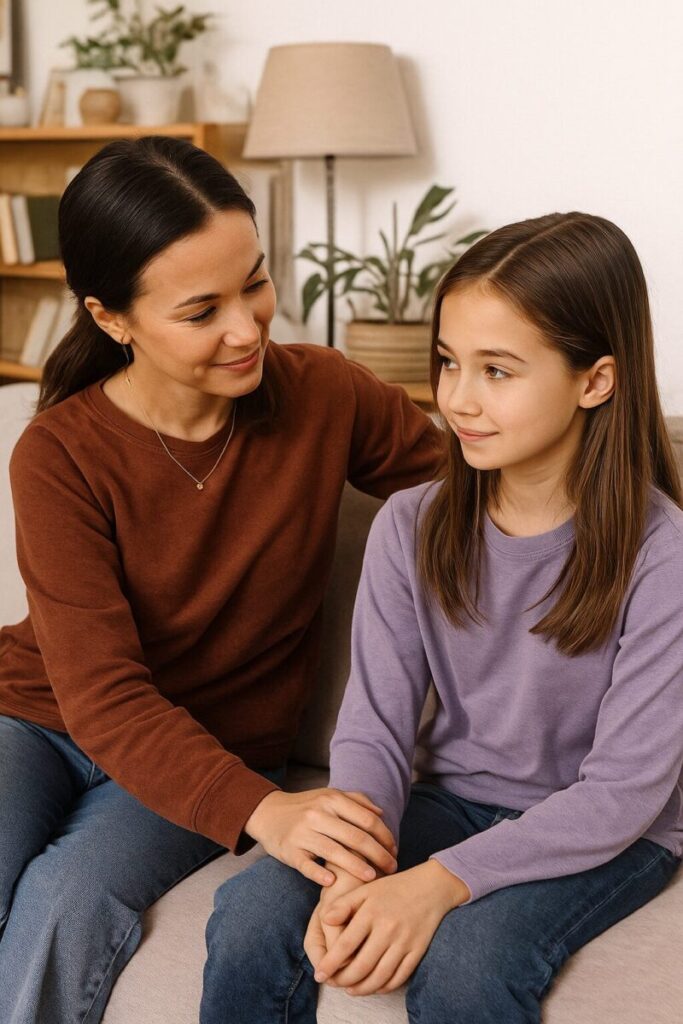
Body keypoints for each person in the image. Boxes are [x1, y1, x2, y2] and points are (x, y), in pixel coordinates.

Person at [0, 135, 444, 1024]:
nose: (247, 327)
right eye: (202, 310)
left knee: (69, 900)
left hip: (211, 744)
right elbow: (103, 696)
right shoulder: (58, 454)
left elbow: (475, 501)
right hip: (41, 715)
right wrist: (267, 815)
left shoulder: (325, 394)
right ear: (112, 319)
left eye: (255, 283)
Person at [202, 212, 683, 1024]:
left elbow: (622, 792)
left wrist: (438, 881)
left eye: (497, 370)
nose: (457, 399)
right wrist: (352, 860)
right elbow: (375, 730)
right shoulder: (410, 525)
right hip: (451, 795)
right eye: (449, 363)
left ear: (595, 380)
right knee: (250, 915)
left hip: (610, 832)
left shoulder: (662, 554)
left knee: (466, 964)